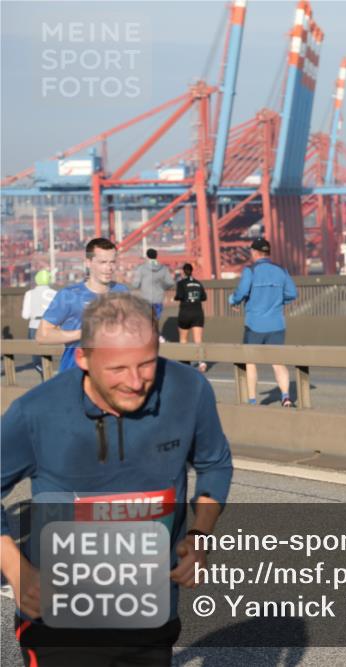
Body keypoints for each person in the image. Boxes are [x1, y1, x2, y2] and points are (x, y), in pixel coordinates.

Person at [1, 292, 233, 666]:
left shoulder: (189, 390)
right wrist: (17, 570)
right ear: (83, 358)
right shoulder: (36, 412)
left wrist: (199, 535)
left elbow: (215, 464)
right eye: (118, 369)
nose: (136, 382)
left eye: (147, 364)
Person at [36, 237, 129, 373]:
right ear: (88, 263)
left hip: (113, 373)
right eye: (102, 262)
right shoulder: (69, 295)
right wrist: (84, 333)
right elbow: (42, 336)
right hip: (76, 374)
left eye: (112, 262)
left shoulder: (122, 292)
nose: (109, 268)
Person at [228, 237, 298, 407]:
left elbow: (241, 292)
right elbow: (292, 293)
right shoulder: (281, 270)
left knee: (250, 362)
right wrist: (279, 301)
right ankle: (286, 397)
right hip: (276, 324)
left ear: (254, 252)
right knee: (278, 362)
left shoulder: (250, 271)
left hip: (254, 325)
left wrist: (233, 301)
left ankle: (252, 400)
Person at [20, 269, 57, 374]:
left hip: (34, 326)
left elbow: (25, 316)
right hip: (50, 326)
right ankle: (49, 376)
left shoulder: (29, 293)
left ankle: (44, 376)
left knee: (36, 359)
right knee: (47, 355)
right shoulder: (55, 293)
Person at [175, 263, 208, 372]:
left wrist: (177, 297)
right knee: (198, 340)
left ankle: (185, 363)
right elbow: (204, 297)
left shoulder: (181, 283)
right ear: (192, 271)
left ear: (183, 271)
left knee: (183, 339)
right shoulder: (198, 283)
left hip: (185, 312)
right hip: (197, 312)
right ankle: (202, 362)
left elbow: (179, 296)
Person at [132, 248, 175, 324]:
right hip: (158, 299)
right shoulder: (163, 268)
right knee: (156, 321)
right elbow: (170, 283)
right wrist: (162, 287)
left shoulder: (141, 268)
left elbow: (135, 285)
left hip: (145, 299)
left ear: (147, 256)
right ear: (156, 256)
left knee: (147, 321)